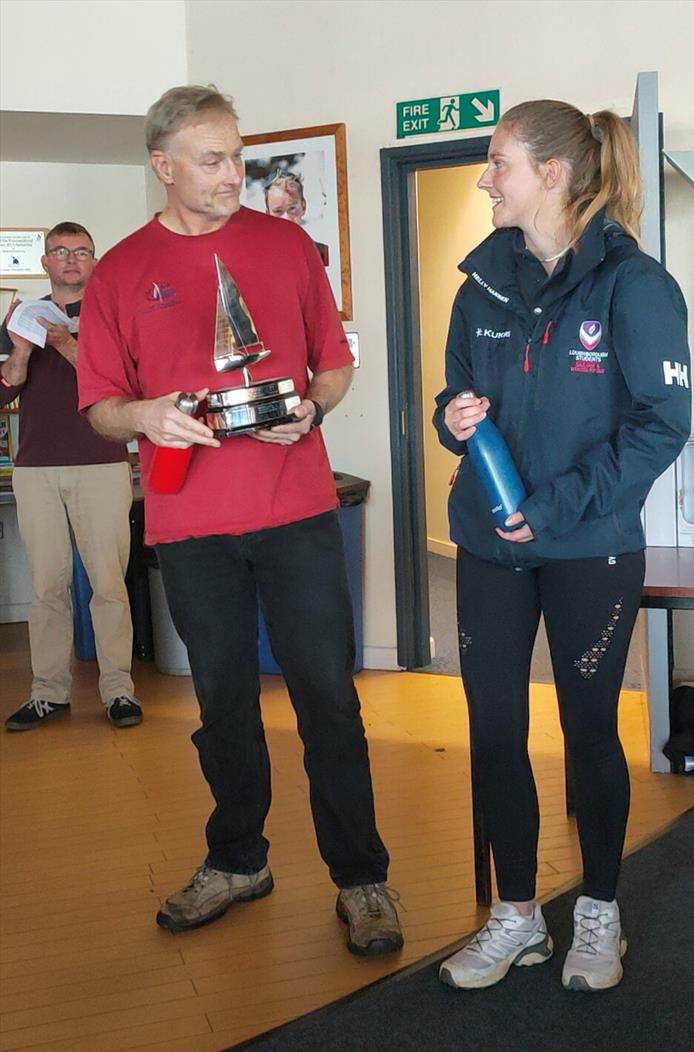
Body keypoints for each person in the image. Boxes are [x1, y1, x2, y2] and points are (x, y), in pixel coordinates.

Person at [76, 85, 402, 956]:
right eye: (213, 160)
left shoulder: (288, 244)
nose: (234, 175)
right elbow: (101, 406)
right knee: (222, 706)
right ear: (165, 165)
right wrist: (144, 416)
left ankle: (362, 878)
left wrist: (315, 409)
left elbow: (334, 364)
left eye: (238, 156)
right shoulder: (117, 273)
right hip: (189, 526)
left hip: (297, 514)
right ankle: (238, 860)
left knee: (330, 700)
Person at [433, 100, 691, 992]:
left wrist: (557, 506)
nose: (484, 177)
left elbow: (662, 427)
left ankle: (599, 913)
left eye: (497, 162)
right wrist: (452, 417)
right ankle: (515, 916)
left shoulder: (634, 285)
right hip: (491, 544)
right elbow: (453, 397)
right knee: (495, 731)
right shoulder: (481, 286)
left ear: (552, 173)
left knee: (589, 733)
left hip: (590, 545)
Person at [0, 222, 141, 732]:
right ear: (45, 262)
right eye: (60, 251)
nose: (71, 259)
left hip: (101, 464)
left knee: (107, 585)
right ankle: (48, 694)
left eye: (82, 251)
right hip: (36, 469)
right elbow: (4, 391)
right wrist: (21, 348)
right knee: (47, 589)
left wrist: (63, 343)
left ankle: (118, 691)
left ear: (94, 261)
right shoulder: (20, 319)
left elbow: (126, 384)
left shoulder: (113, 317)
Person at [265, 172, 330, 265]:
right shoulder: (261, 260)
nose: (286, 218)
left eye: (292, 208)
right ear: (267, 215)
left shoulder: (323, 254)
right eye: (278, 211)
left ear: (303, 206)